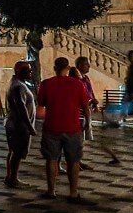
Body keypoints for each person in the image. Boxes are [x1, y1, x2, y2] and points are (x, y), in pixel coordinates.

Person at [37, 57, 92, 202]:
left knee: (52, 159)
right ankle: (73, 192)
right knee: (73, 161)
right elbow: (85, 106)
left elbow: (41, 104)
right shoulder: (78, 84)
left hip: (52, 126)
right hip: (72, 127)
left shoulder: (46, 84)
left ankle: (51, 191)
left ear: (55, 68)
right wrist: (87, 123)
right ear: (68, 68)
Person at [5, 61, 37, 189]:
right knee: (17, 153)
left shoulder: (18, 84)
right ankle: (13, 178)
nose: (31, 72)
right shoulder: (18, 86)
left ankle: (10, 177)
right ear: (19, 72)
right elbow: (21, 107)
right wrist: (29, 126)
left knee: (13, 151)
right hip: (18, 124)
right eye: (28, 70)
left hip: (15, 123)